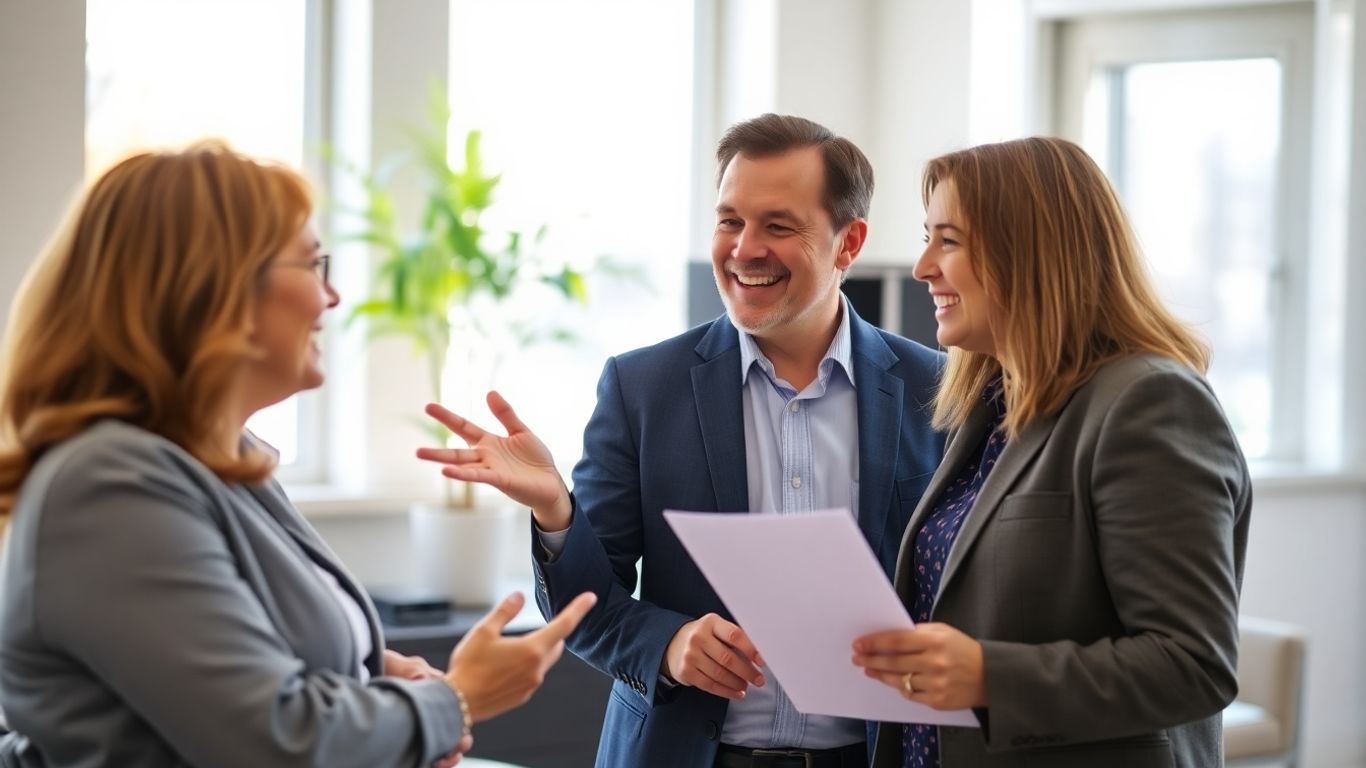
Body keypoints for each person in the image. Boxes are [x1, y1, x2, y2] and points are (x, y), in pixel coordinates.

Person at [0, 142, 596, 768]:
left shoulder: (227, 461)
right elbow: (274, 741)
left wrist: (368, 676)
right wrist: (458, 701)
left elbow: (246, 667)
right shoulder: (108, 488)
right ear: (214, 287)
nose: (331, 298)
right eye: (312, 266)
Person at [416, 113, 946, 767]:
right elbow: (589, 607)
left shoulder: (940, 392)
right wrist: (564, 519)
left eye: (778, 226)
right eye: (730, 221)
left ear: (848, 242)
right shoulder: (643, 388)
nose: (745, 248)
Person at [848, 136, 1252, 767]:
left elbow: (1193, 664)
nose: (923, 266)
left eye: (947, 241)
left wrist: (989, 676)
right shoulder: (992, 408)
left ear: (1029, 254)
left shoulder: (1148, 402)